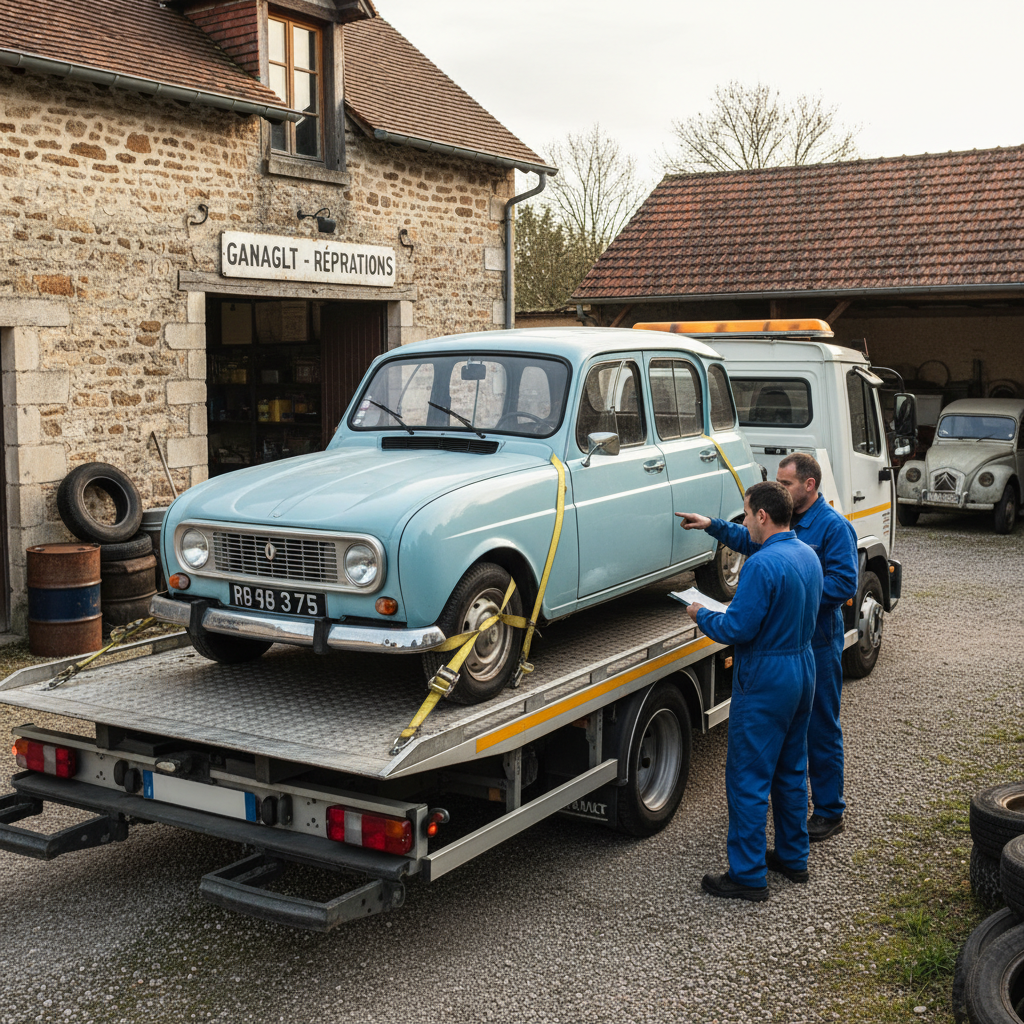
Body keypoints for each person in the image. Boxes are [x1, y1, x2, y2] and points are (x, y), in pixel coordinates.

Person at [681, 452, 859, 843]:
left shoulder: (832, 528)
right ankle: (788, 825)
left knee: (820, 729)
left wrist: (792, 598)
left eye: (787, 483)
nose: (781, 488)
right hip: (787, 643)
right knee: (789, 744)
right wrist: (712, 525)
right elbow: (750, 537)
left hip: (816, 643)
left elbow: (845, 583)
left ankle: (830, 810)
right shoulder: (786, 524)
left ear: (809, 485)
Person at [682, 481, 823, 901]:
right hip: (802, 667)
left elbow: (737, 628)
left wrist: (700, 614)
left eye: (746, 514)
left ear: (762, 515)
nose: (744, 522)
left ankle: (747, 875)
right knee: (791, 770)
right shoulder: (807, 555)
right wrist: (715, 525)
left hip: (765, 676)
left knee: (748, 778)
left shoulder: (761, 566)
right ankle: (794, 858)